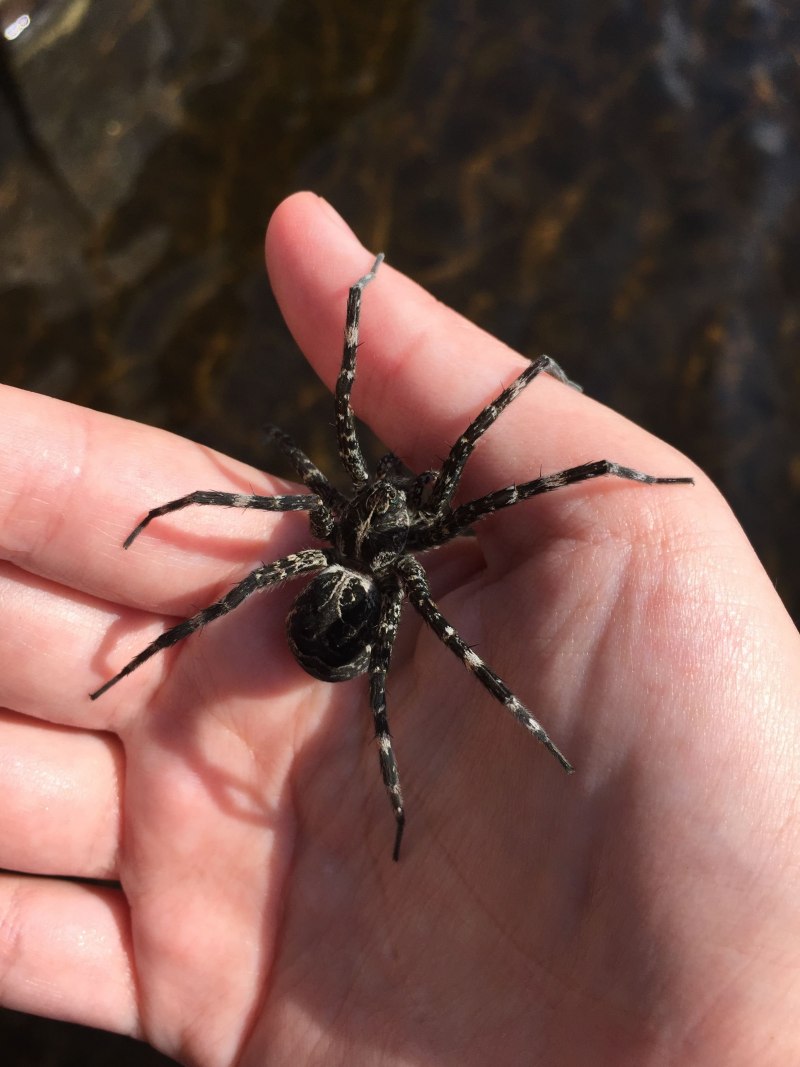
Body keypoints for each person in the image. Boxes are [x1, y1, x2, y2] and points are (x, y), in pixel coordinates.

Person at [0, 191, 797, 1065]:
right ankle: (357, 772)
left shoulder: (386, 541)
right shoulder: (386, 531)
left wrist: (561, 425)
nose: (383, 486)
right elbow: (358, 425)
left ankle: (374, 774)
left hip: (346, 603)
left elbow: (449, 512)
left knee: (327, 631)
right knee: (277, 601)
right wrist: (497, 368)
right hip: (348, 600)